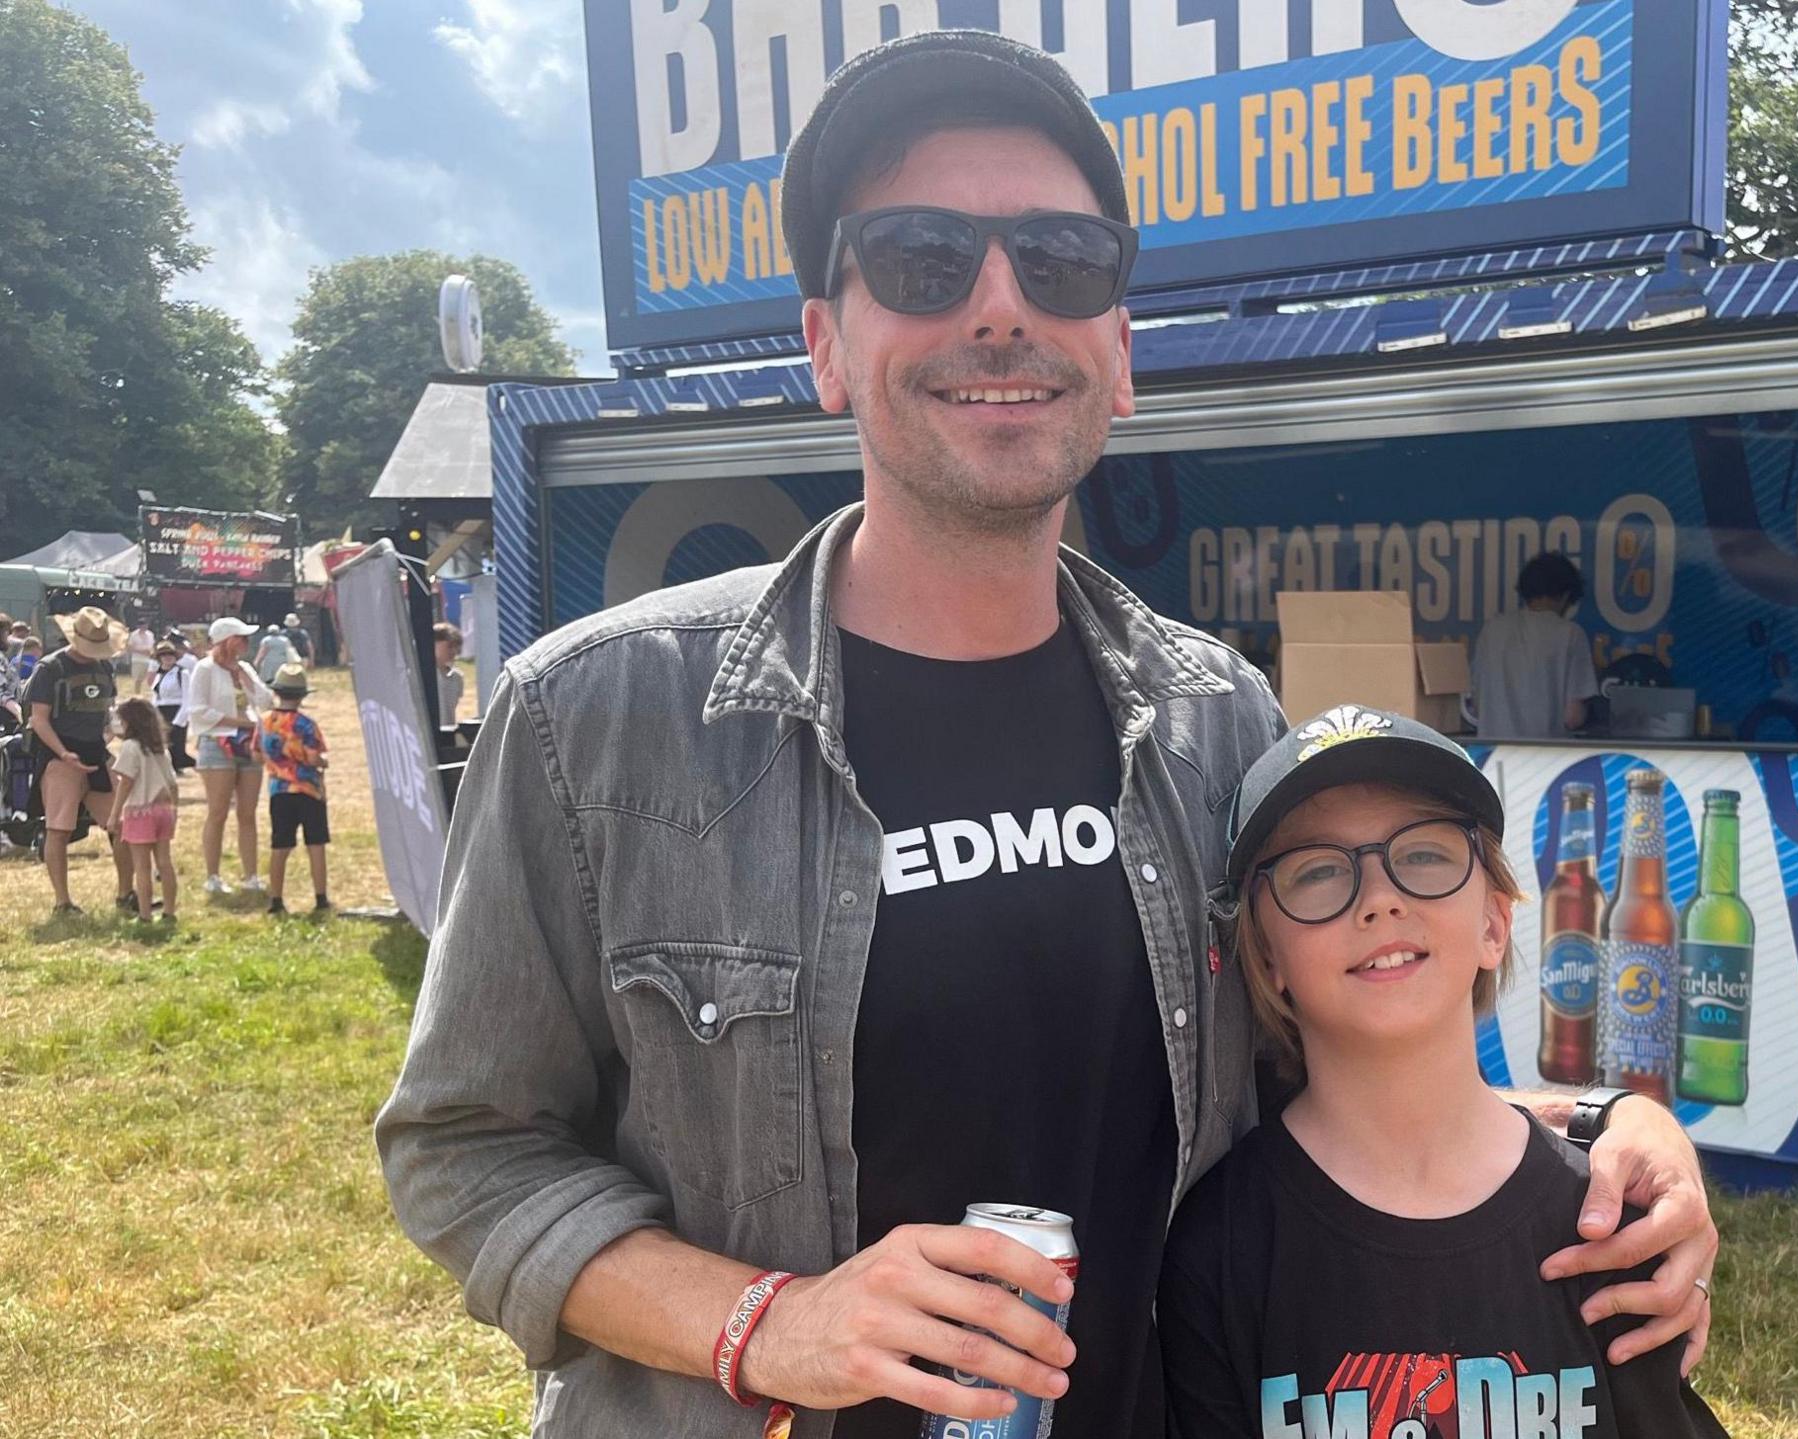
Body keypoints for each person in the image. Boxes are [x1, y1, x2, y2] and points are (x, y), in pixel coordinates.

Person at [377, 31, 1717, 1439]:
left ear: (1120, 353)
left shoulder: (1216, 721)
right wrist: (773, 1320)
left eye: (1064, 261)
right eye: (920, 255)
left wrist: (1603, 1130)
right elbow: (468, 1150)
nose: (1001, 307)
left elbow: (1333, 1053)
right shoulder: (596, 718)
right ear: (827, 343)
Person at [1163, 707, 1729, 1438]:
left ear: (1495, 922)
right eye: (1318, 870)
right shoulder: (1220, 1245)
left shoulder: (1604, 1223)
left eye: (1425, 854)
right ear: (1268, 958)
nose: (1380, 897)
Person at [24, 608, 137, 915]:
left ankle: (126, 893)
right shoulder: (51, 668)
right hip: (60, 759)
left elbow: (108, 711)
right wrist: (63, 753)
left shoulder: (105, 668)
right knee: (58, 829)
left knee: (122, 826)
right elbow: (39, 719)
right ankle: (63, 902)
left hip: (96, 754)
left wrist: (109, 734)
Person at [1469, 553, 1604, 739]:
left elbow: (1476, 705)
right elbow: (1573, 717)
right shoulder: (1570, 634)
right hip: (1544, 760)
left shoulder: (1491, 630)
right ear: (1565, 595)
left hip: (1490, 756)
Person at [186, 616, 272, 894]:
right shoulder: (205, 669)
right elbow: (198, 710)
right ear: (226, 641)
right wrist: (238, 723)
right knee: (218, 811)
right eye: (240, 637)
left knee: (248, 812)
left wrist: (247, 679)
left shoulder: (244, 667)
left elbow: (266, 701)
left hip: (248, 742)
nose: (246, 642)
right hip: (216, 743)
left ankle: (251, 876)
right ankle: (212, 876)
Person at [257, 663, 330, 916]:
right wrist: (324, 762)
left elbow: (256, 752)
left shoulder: (265, 722)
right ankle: (321, 898)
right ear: (301, 696)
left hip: (279, 790)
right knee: (316, 844)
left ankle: (276, 899)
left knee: (280, 846)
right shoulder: (306, 725)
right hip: (309, 789)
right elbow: (312, 758)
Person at [108, 696, 182, 924]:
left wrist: (114, 814)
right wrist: (175, 811)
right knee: (164, 862)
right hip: (163, 810)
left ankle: (144, 914)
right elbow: (173, 784)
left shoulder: (131, 748)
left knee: (141, 866)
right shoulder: (161, 750)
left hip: (140, 811)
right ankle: (169, 912)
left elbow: (126, 782)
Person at [150, 642, 197, 771]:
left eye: (170, 654)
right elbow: (156, 695)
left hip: (177, 710)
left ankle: (183, 765)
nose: (167, 657)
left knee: (177, 744)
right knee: (165, 743)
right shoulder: (159, 675)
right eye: (164, 655)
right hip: (161, 711)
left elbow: (188, 697)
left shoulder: (182, 673)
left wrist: (180, 719)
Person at [432, 622, 465, 728]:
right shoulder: (423, 676)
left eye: (456, 647)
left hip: (447, 733)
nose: (454, 651)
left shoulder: (457, 677)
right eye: (449, 646)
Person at [125, 616, 157, 694]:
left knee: (151, 678)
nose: (144, 627)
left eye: (145, 625)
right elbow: (129, 648)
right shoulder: (133, 635)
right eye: (142, 625)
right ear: (139, 626)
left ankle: (151, 694)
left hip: (149, 660)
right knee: (138, 679)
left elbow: (152, 646)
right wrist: (142, 651)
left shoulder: (150, 634)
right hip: (137, 660)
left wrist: (151, 653)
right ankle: (137, 694)